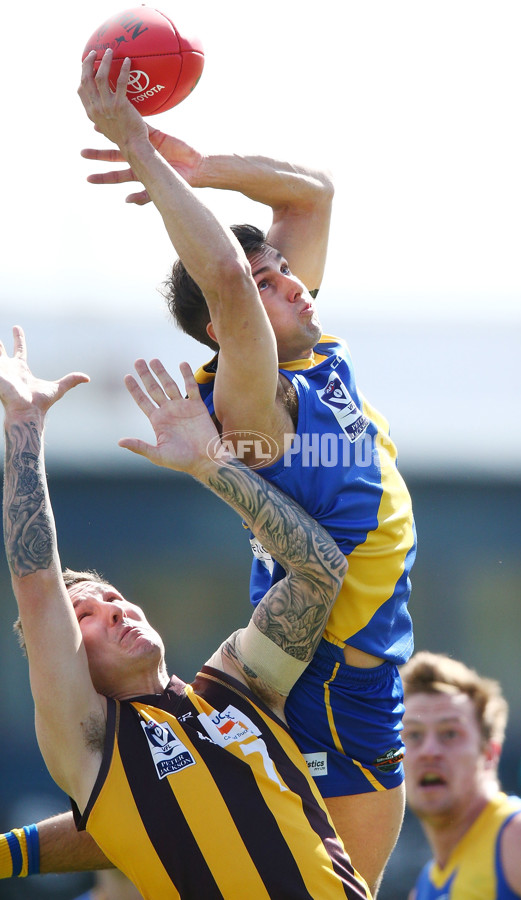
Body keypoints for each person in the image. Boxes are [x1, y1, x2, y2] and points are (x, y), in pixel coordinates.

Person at [72, 47, 417, 892]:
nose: (293, 284)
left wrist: (201, 166)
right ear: (230, 333)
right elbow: (223, 276)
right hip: (330, 682)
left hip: (356, 670)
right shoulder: (253, 410)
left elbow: (313, 193)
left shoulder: (314, 350)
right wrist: (141, 154)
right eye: (271, 283)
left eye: (287, 271)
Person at [0, 324, 371, 899]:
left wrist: (211, 464)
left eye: (115, 598)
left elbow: (319, 570)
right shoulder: (92, 742)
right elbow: (36, 584)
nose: (116, 611)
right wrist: (24, 423)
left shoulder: (234, 689)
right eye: (87, 616)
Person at [401, 651, 521, 899]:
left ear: (490, 753)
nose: (429, 752)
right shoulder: (422, 889)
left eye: (449, 734)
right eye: (413, 735)